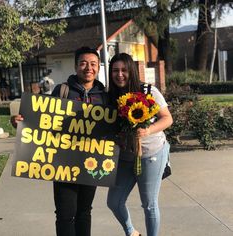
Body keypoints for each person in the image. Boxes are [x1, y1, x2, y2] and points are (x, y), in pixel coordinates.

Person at [11, 46, 108, 236]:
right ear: (75, 66)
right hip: (63, 162)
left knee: (84, 212)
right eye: (83, 63)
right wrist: (20, 123)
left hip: (92, 162)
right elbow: (43, 119)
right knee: (65, 214)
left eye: (93, 64)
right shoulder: (62, 90)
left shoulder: (104, 96)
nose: (88, 67)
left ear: (98, 67)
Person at [107, 53, 173, 236]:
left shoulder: (148, 91)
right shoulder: (110, 97)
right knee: (114, 201)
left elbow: (167, 119)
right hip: (125, 157)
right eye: (115, 70)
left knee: (149, 204)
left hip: (152, 153)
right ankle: (132, 232)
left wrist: (148, 130)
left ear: (132, 71)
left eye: (124, 70)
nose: (119, 74)